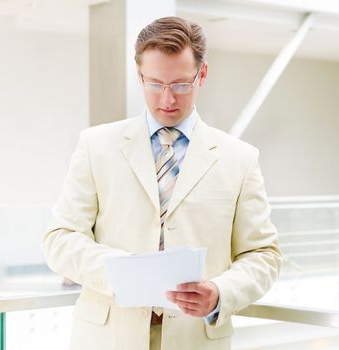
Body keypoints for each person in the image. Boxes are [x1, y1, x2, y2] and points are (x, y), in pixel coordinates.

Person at [42, 16, 281, 350]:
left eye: (181, 84)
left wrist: (220, 293)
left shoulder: (240, 159)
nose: (167, 99)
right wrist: (120, 272)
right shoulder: (96, 146)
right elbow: (60, 239)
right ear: (140, 75)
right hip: (107, 338)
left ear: (203, 74)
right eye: (155, 84)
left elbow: (263, 255)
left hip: (195, 339)